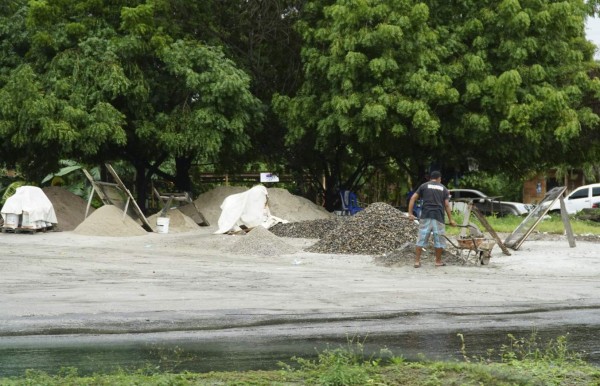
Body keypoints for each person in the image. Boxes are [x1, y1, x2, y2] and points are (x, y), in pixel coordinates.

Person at [408, 171, 457, 268]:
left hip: (425, 215)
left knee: (421, 238)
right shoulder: (443, 188)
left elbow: (413, 198)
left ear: (431, 178)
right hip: (438, 217)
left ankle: (417, 262)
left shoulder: (424, 186)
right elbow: (446, 205)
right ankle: (438, 262)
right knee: (439, 239)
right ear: (439, 178)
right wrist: (451, 220)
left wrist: (410, 213)